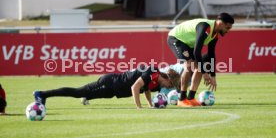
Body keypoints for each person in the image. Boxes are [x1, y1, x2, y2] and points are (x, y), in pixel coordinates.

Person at [33, 66, 180, 109]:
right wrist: (139, 107)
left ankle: (88, 96)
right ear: (166, 78)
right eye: (170, 85)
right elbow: (135, 88)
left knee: (99, 95)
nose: (168, 87)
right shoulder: (152, 71)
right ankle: (42, 94)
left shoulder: (156, 84)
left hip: (115, 90)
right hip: (111, 81)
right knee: (78, 92)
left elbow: (146, 89)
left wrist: (149, 105)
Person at [167, 12, 234, 107]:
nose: (228, 31)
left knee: (200, 65)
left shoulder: (215, 35)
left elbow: (211, 54)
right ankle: (182, 99)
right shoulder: (204, 27)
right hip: (177, 39)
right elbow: (196, 52)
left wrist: (213, 75)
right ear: (220, 23)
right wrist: (204, 73)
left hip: (188, 44)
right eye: (227, 28)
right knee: (189, 65)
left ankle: (191, 98)